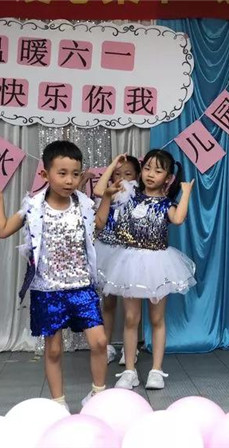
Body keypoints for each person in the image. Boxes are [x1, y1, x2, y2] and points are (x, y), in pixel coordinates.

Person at [0, 140, 114, 411]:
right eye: (62, 173)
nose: (69, 180)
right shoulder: (33, 207)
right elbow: (3, 230)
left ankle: (98, 396)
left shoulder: (83, 204)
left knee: (100, 341)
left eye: (75, 174)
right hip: (47, 290)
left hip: (81, 287)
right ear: (45, 174)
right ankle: (58, 404)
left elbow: (100, 224)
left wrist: (108, 198)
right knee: (53, 349)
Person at [96, 149, 196, 390]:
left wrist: (186, 193)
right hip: (130, 262)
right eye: (148, 168)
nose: (151, 174)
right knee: (131, 318)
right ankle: (129, 370)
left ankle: (156, 370)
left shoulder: (166, 204)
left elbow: (178, 219)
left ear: (168, 178)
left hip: (157, 264)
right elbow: (100, 191)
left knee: (157, 318)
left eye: (158, 171)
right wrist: (114, 164)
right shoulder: (129, 195)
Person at [93, 154, 141, 365]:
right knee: (108, 303)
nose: (122, 178)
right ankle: (107, 346)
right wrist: (112, 165)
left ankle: (131, 349)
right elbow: (98, 191)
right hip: (106, 251)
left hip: (129, 254)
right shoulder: (109, 194)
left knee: (132, 306)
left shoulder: (140, 196)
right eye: (117, 174)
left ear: (137, 176)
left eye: (128, 174)